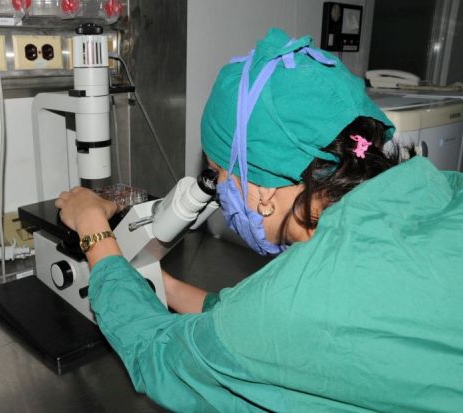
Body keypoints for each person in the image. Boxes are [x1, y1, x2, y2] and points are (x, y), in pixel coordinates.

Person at [55, 28, 463, 412]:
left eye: (217, 174)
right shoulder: (440, 192)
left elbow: (157, 354)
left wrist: (93, 229)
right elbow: (254, 322)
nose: (217, 190)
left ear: (264, 191)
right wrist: (166, 287)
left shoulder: (297, 300)